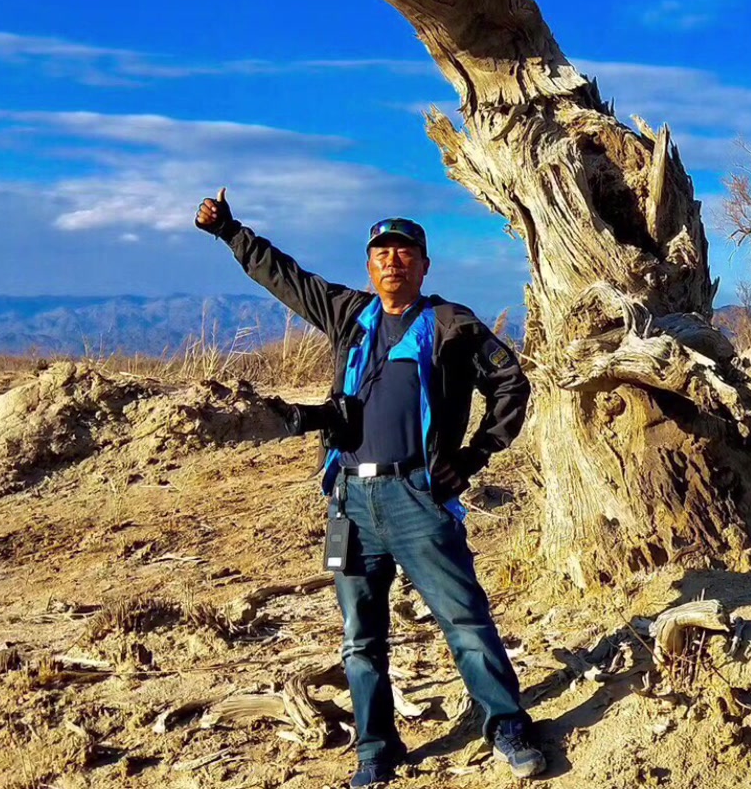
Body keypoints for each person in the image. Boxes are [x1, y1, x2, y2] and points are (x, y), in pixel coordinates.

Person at [194, 189, 545, 785]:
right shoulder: (349, 315)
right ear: (368, 265)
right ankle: (376, 749)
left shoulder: (450, 324)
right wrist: (230, 230)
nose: (392, 261)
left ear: (424, 264)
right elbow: (286, 278)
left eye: (405, 252)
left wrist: (475, 454)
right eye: (381, 252)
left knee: (464, 621)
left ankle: (508, 726)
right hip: (350, 501)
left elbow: (511, 383)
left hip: (417, 498)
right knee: (361, 638)